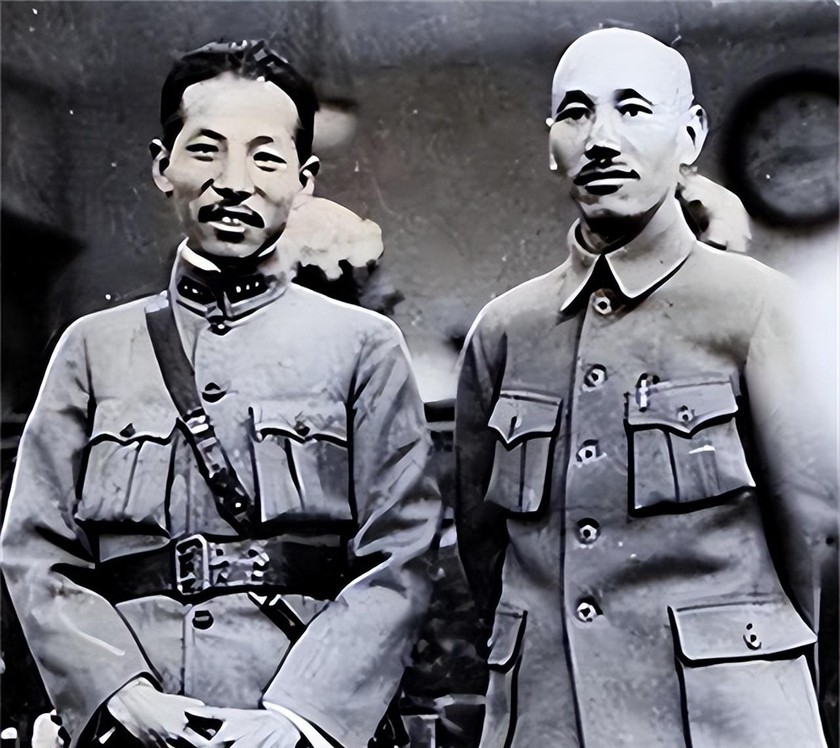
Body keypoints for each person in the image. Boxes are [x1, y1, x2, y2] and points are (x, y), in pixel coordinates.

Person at [1, 40, 440, 748]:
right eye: (206, 150)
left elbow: (400, 555)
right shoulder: (93, 348)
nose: (234, 182)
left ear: (304, 179)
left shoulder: (362, 347)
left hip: (292, 728)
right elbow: (37, 551)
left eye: (265, 158)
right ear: (162, 166)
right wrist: (120, 695)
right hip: (133, 730)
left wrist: (298, 720)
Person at [455, 28, 836, 748]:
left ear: (690, 135)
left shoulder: (758, 308)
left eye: (632, 109)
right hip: (548, 719)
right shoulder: (505, 330)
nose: (601, 139)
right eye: (576, 113)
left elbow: (814, 541)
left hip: (724, 721)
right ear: (551, 143)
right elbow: (487, 554)